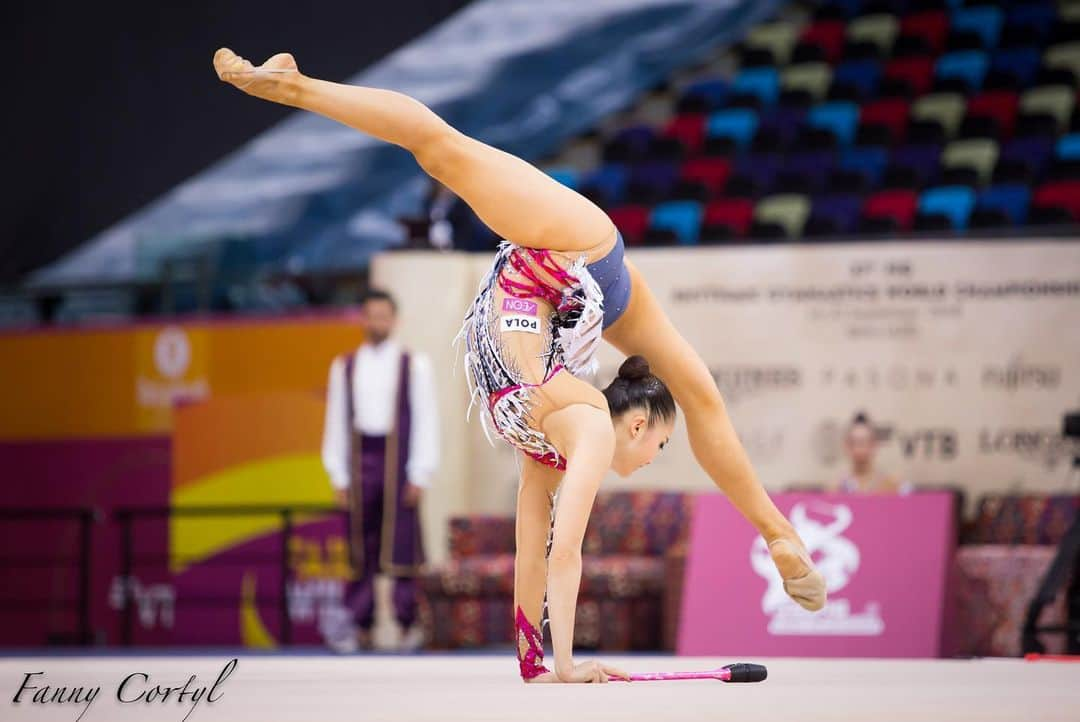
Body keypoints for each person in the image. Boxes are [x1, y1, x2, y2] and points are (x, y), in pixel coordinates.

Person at [213, 49, 826, 682]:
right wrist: (562, 666)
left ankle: (779, 534)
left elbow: (533, 550)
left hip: (574, 286)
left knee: (698, 390)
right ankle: (296, 85)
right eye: (660, 445)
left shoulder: (553, 444)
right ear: (634, 423)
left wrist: (539, 662)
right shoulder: (581, 423)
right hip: (570, 250)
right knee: (438, 148)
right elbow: (564, 552)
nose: (651, 462)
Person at [321, 289, 439, 652]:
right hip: (361, 461)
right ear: (362, 319)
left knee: (401, 545)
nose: (377, 322)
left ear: (395, 320)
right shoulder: (345, 366)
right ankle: (361, 627)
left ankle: (407, 625)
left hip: (398, 461)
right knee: (361, 546)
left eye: (384, 316)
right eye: (371, 315)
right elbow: (337, 422)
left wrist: (420, 472)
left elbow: (425, 419)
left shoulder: (413, 364)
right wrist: (338, 474)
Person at [834, 412, 911, 495]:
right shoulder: (838, 488)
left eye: (862, 442)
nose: (858, 449)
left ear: (874, 445)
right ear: (846, 446)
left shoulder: (891, 484)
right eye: (853, 443)